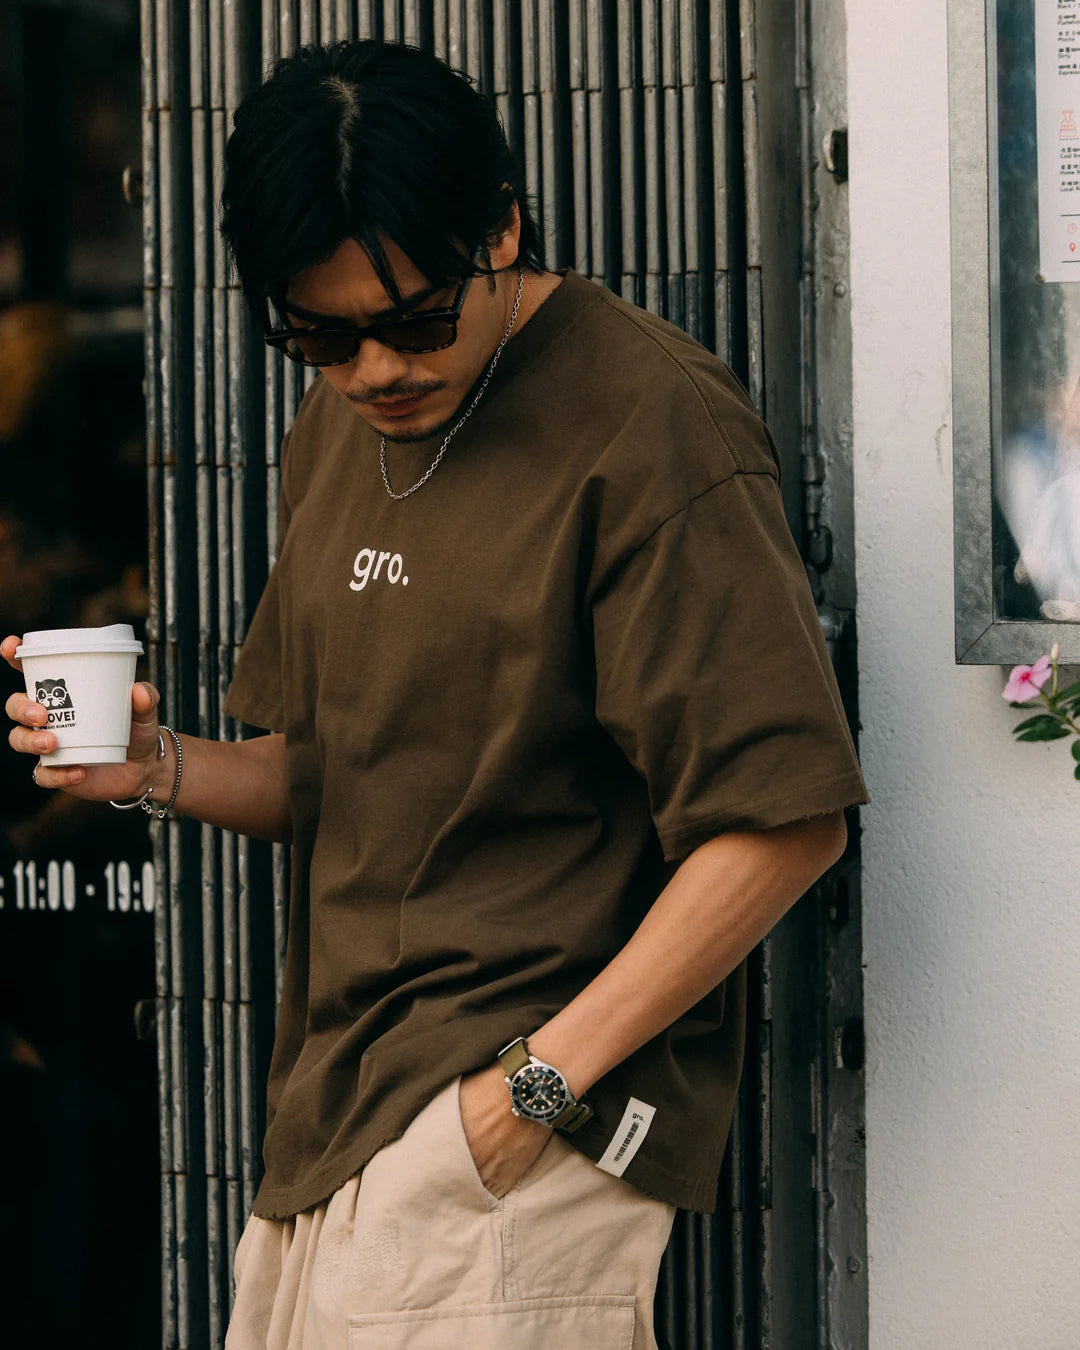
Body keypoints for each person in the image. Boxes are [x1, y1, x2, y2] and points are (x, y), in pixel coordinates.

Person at [4, 39, 869, 1350]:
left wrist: (529, 1096)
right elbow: (331, 774)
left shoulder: (648, 420)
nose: (377, 370)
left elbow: (785, 820)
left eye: (414, 320)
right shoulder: (338, 426)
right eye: (321, 335)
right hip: (332, 1126)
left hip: (501, 1150)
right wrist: (157, 766)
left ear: (501, 229)